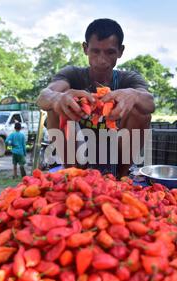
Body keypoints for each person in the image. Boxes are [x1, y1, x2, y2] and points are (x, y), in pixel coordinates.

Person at [36, 18, 155, 178]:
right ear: (85, 48)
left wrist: (133, 95)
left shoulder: (129, 79)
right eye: (95, 51)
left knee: (142, 110)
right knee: (55, 107)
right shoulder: (72, 74)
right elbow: (44, 96)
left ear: (120, 51)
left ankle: (120, 176)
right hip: (78, 149)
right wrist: (57, 99)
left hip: (116, 150)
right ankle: (74, 175)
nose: (101, 59)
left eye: (110, 52)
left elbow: (150, 103)